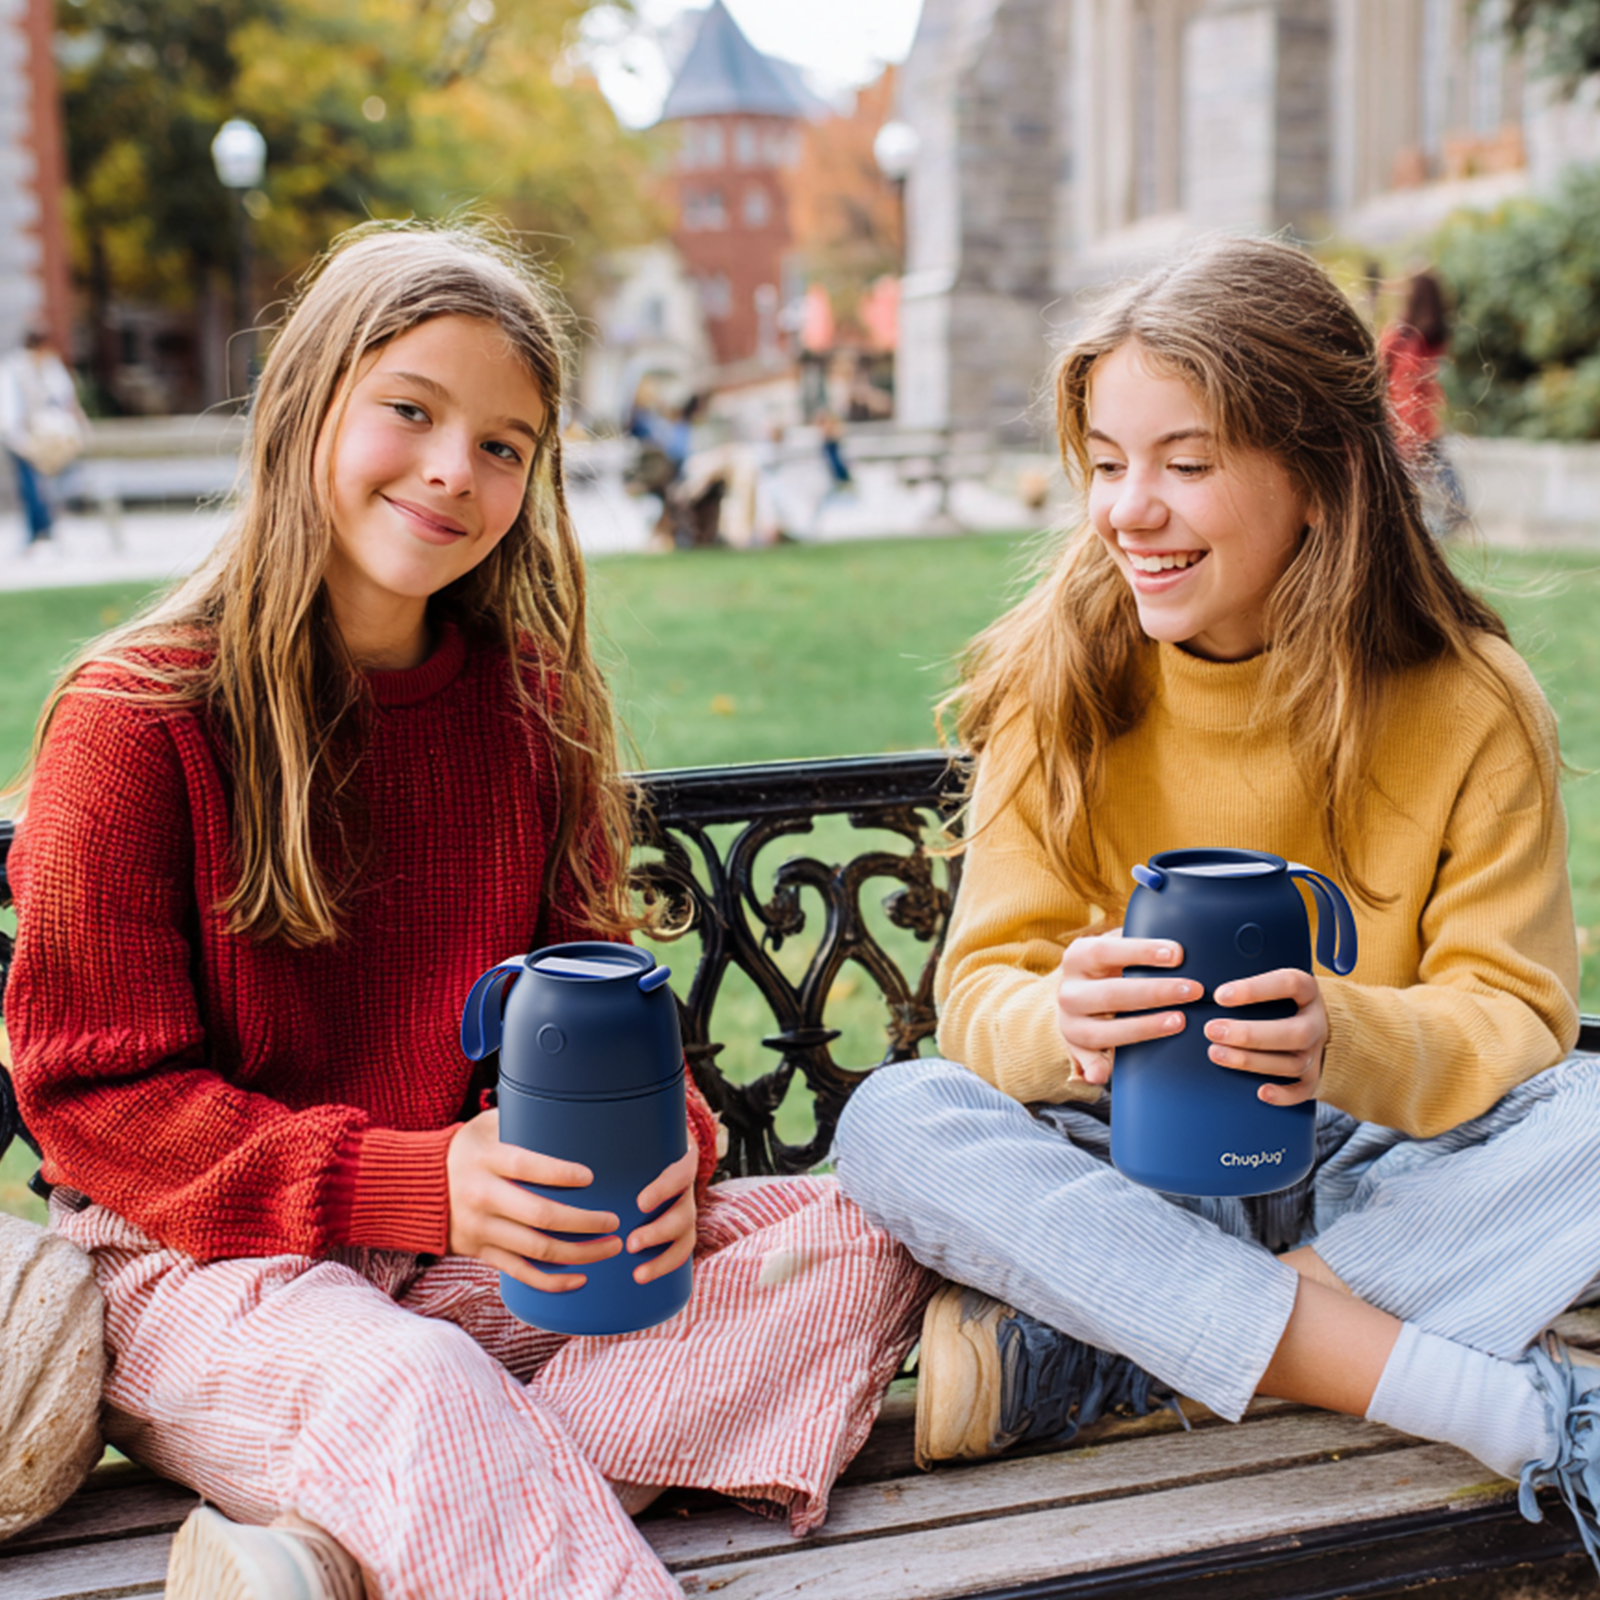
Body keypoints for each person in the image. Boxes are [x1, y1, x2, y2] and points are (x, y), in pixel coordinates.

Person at [4, 222, 933, 1600]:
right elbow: (98, 1100)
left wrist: (662, 1152)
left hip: (469, 1259)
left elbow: (599, 1002)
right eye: (413, 411)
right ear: (309, 403)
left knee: (855, 1237)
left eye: (506, 444)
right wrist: (419, 1180)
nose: (456, 468)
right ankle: (454, 1508)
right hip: (204, 1265)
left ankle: (340, 1559)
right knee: (422, 1386)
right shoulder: (139, 720)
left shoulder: (530, 709)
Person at [832, 236, 1600, 1563]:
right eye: (1111, 464)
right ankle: (1469, 1397)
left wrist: (1343, 1035)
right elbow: (980, 996)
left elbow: (1517, 1012)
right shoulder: (1059, 683)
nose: (1131, 508)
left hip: (1376, 1173)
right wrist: (1066, 1018)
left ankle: (1126, 1359)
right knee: (899, 1120)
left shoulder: (1469, 702)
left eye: (1186, 465)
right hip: (1135, 1171)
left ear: (1318, 474)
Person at [1379, 270, 1466, 533]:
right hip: (1414, 436)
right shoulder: (1427, 342)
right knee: (1447, 508)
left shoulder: (1410, 339)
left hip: (1416, 435)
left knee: (1446, 508)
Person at [0, 327, 88, 552]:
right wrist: (20, 441)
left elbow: (64, 397)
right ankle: (37, 531)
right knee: (29, 485)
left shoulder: (50, 367)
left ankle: (49, 529)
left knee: (50, 485)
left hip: (49, 437)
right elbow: (10, 411)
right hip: (23, 438)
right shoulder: (12, 369)